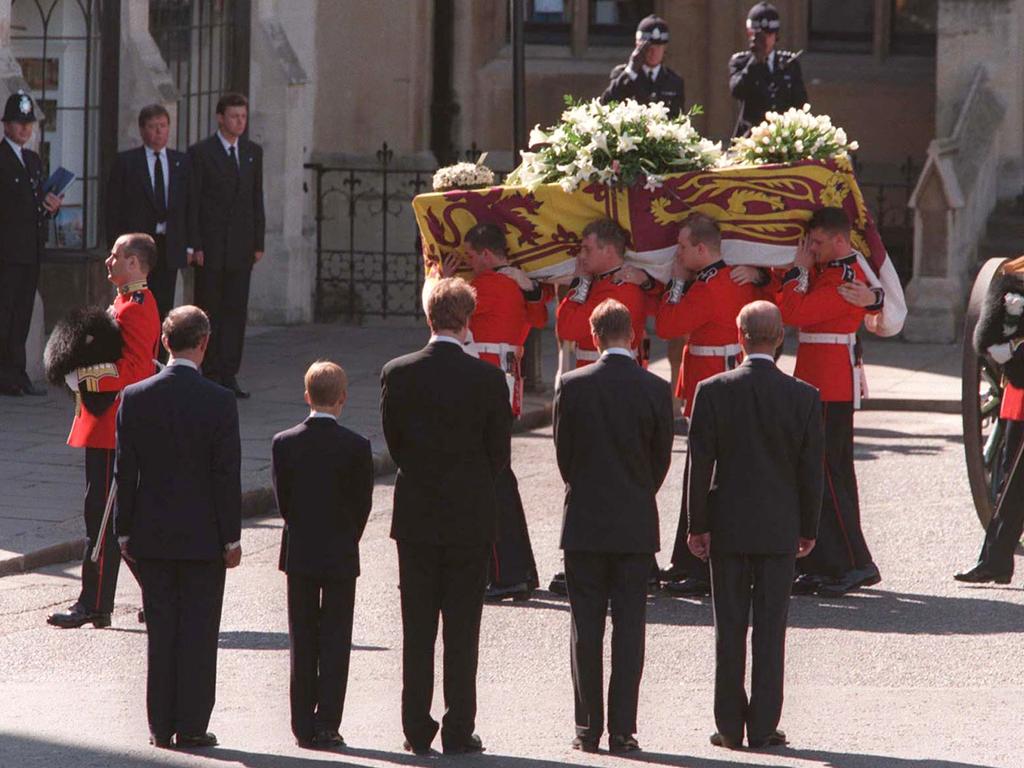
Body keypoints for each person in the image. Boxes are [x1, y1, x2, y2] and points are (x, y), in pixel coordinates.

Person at [380, 278, 512, 756]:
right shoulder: (487, 377)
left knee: (417, 629)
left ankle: (416, 727)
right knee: (462, 630)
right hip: (469, 514)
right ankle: (459, 728)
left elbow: (395, 444)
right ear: (467, 319)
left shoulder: (397, 372)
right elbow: (499, 452)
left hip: (417, 513)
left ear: (429, 317)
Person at [687, 300, 823, 750]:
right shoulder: (804, 396)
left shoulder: (712, 390)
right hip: (779, 525)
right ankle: (764, 726)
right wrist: (808, 527)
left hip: (727, 524)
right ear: (780, 337)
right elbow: (811, 472)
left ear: (739, 335)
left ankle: (729, 725)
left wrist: (697, 524)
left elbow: (700, 466)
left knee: (729, 629)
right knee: (771, 630)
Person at [115, 305, 241, 749]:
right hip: (204, 535)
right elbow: (226, 476)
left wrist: (123, 530)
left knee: (161, 631)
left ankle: (159, 724)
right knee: (199, 632)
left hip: (152, 533)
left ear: (164, 343)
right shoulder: (220, 401)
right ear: (203, 343)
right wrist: (232, 537)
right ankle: (191, 723)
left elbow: (123, 471)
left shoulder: (135, 396)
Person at [554, 299, 674, 754]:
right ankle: (623, 729)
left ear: (593, 334)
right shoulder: (654, 388)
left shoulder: (572, 385)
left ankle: (588, 728)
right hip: (634, 519)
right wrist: (638, 490)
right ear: (635, 335)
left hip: (585, 518)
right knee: (630, 628)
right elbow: (659, 460)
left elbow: (565, 457)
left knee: (585, 627)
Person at [47, 234, 161, 630]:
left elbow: (136, 369)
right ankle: (158, 596)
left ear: (134, 263)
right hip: (103, 422)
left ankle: (94, 604)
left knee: (103, 517)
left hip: (115, 424)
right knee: (108, 518)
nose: (108, 261)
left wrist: (83, 375)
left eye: (116, 256)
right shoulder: (125, 302)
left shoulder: (137, 307)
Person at [654, 214, 766, 597]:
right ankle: (693, 561)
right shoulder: (737, 277)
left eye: (683, 247)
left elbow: (667, 325)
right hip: (721, 377)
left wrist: (674, 283)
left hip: (710, 383)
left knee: (700, 479)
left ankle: (696, 564)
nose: (678, 253)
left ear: (701, 249)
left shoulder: (706, 287)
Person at [777, 206, 883, 597]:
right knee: (819, 475)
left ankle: (856, 562)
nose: (811, 249)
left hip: (830, 384)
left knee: (829, 477)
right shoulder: (829, 271)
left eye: (817, 242)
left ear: (839, 240)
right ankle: (824, 560)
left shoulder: (845, 279)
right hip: (817, 379)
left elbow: (792, 311)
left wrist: (798, 270)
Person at [551, 217, 658, 595]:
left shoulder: (624, 287)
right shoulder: (597, 283)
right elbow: (564, 324)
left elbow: (575, 327)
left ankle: (633, 557)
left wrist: (579, 286)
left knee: (617, 472)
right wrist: (580, 283)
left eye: (587, 248)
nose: (581, 255)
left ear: (610, 251)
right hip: (588, 381)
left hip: (610, 386)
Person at [272, 360, 373, 750]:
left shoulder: (285, 442)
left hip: (300, 550)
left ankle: (301, 724)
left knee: (302, 636)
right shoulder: (356, 446)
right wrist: (348, 537)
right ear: (343, 398)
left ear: (306, 396)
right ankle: (328, 721)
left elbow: (285, 502)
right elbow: (361, 504)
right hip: (340, 551)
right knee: (335, 638)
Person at [461, 221, 546, 602]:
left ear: (485, 254)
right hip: (505, 388)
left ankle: (507, 571)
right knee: (499, 479)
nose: (468, 264)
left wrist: (437, 278)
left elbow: (443, 316)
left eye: (470, 257)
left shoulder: (486, 286)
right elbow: (540, 318)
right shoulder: (517, 285)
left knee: (490, 483)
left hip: (482, 391)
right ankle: (518, 569)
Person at [187, 92, 265, 398]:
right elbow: (194, 202)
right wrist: (195, 245)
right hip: (211, 246)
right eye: (234, 116)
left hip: (241, 246)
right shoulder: (202, 153)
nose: (239, 122)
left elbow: (256, 199)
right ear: (221, 118)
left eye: (243, 117)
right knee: (210, 310)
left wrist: (258, 241)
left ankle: (229, 372)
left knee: (235, 310)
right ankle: (209, 371)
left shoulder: (251, 152)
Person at [955, 255, 1024, 585]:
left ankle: (995, 561)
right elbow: (995, 334)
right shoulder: (1016, 277)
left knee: (1013, 487)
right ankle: (996, 561)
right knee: (1012, 487)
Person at [106, 105, 191, 337]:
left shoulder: (180, 162)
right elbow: (113, 208)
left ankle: (159, 361)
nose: (159, 132)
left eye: (163, 126)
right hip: (137, 249)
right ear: (142, 130)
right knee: (136, 302)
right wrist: (116, 249)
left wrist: (191, 245)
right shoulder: (127, 163)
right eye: (153, 127)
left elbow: (189, 206)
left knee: (164, 307)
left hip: (169, 245)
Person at [0, 90, 62, 396]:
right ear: (5, 125)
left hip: (31, 249)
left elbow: (35, 200)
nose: (24, 128)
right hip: (8, 251)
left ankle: (17, 372)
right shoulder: (2, 158)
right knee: (5, 312)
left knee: (23, 313)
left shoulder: (33, 159)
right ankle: (4, 374)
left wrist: (49, 205)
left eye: (28, 123)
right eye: (18, 122)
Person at [729, 2, 808, 138]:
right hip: (750, 139)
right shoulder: (741, 62)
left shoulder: (789, 64)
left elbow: (801, 104)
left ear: (776, 35)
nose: (763, 40)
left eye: (768, 34)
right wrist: (755, 61)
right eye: (757, 35)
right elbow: (737, 90)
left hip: (783, 139)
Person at [601, 14, 685, 118]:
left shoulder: (674, 82)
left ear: (665, 48)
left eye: (658, 47)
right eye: (648, 47)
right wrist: (631, 71)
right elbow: (606, 104)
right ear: (637, 46)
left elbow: (678, 119)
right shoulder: (622, 75)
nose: (653, 52)